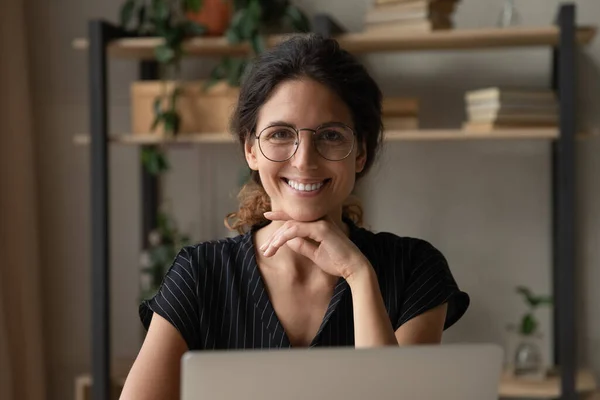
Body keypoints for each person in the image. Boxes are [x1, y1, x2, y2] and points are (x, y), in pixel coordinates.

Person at [120, 33, 469, 399]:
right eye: (281, 133)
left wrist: (359, 274)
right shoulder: (199, 274)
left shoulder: (414, 268)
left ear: (361, 153)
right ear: (250, 150)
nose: (304, 160)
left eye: (331, 135)